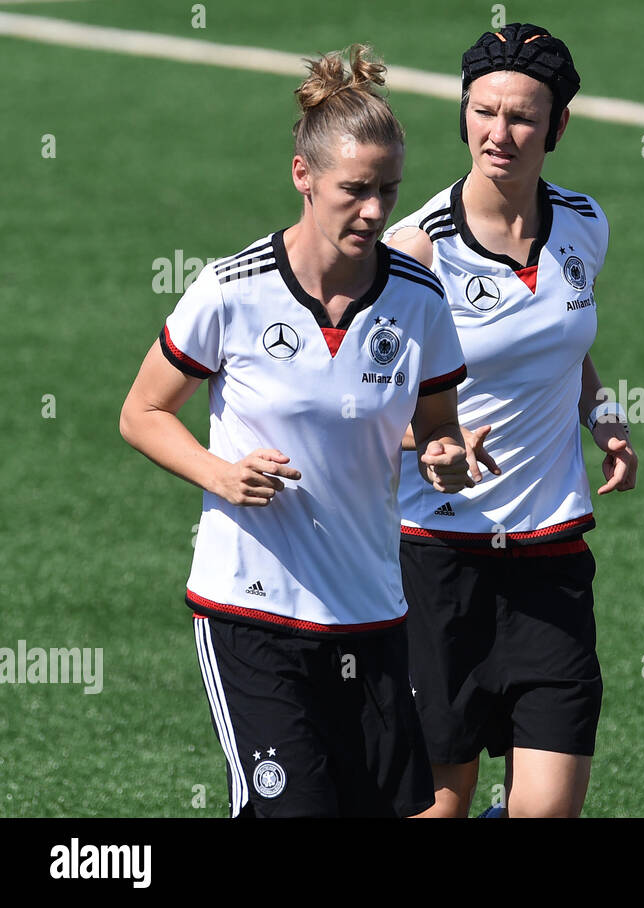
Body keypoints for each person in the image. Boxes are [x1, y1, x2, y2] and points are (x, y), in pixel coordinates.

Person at [119, 45, 474, 817]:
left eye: (388, 190)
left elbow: (435, 425)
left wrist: (445, 456)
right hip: (252, 611)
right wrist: (219, 474)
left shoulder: (418, 299)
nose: (376, 210)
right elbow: (142, 412)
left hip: (370, 609)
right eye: (355, 190)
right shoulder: (231, 290)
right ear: (302, 177)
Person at [385, 23, 637, 818]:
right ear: (462, 115)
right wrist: (434, 443)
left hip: (550, 554)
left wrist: (603, 414)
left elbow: (564, 345)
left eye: (523, 115)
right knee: (442, 805)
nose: (501, 132)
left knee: (550, 811)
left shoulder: (584, 224)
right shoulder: (415, 252)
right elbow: (355, 406)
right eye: (484, 111)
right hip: (436, 559)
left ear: (558, 126)